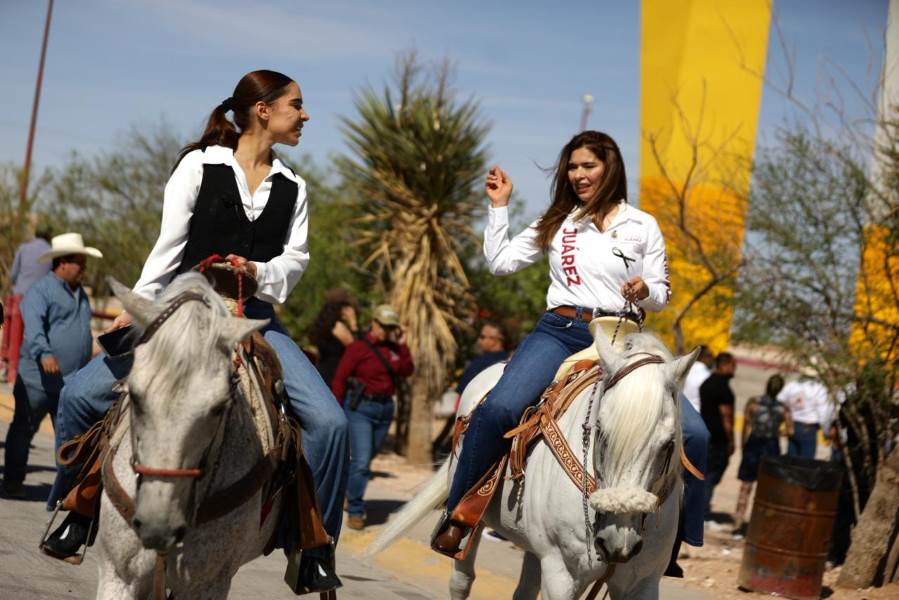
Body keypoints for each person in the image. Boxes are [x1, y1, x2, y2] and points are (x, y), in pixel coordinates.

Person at [42, 70, 348, 593]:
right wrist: (137, 306)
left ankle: (312, 543)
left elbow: (293, 264)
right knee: (78, 394)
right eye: (297, 105)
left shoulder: (294, 187)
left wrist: (258, 272)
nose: (306, 115)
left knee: (330, 423)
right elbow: (169, 244)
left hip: (251, 319)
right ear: (263, 110)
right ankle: (77, 508)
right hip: (178, 310)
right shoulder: (198, 166)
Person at [432, 130, 709, 555]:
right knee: (500, 408)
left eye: (588, 166)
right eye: (573, 167)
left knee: (695, 433)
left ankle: (675, 541)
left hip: (627, 340)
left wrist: (644, 289)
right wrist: (499, 207)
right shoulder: (558, 221)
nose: (579, 175)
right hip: (562, 332)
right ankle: (460, 516)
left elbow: (662, 293)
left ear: (609, 167)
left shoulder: (643, 225)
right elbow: (500, 262)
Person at [1, 233, 101, 500]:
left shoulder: (80, 295)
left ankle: (67, 490)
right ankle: (12, 481)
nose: (84, 268)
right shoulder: (41, 291)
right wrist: (44, 352)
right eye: (80, 263)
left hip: (69, 382)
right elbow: (32, 325)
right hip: (38, 380)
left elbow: (81, 329)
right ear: (63, 263)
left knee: (69, 437)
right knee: (24, 427)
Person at [331, 304, 413, 531]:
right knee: (362, 462)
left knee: (365, 458)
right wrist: (337, 411)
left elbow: (407, 370)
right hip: (361, 409)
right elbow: (340, 379)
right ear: (374, 323)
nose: (387, 331)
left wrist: (404, 345)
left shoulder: (395, 350)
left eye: (392, 327)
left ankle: (349, 492)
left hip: (385, 409)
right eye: (384, 326)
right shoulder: (359, 348)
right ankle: (356, 510)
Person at [732, 374, 793, 537]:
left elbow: (745, 425)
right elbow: (790, 430)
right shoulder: (782, 408)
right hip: (771, 446)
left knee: (745, 487)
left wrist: (744, 445)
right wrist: (777, 432)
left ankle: (738, 525)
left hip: (754, 444)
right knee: (767, 489)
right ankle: (760, 527)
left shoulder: (754, 403)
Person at [1, 223, 52, 383]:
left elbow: (14, 273)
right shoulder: (51, 253)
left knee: (15, 336)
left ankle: (11, 375)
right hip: (40, 299)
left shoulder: (24, 248)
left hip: (20, 296)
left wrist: (17, 287)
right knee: (35, 336)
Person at [699, 352, 737, 519]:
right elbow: (726, 417)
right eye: (732, 365)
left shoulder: (706, 383)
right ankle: (703, 513)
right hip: (718, 439)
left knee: (703, 474)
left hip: (704, 435)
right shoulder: (723, 388)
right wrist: (731, 440)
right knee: (712, 475)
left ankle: (699, 509)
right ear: (724, 365)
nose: (734, 369)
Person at [308, 294, 359, 388]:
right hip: (334, 375)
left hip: (324, 373)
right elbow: (356, 348)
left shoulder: (325, 327)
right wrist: (353, 324)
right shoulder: (337, 327)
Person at [778, 375, 829, 459]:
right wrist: (826, 432)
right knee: (805, 464)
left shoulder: (792, 385)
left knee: (791, 461)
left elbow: (780, 402)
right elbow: (823, 414)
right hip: (809, 429)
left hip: (793, 427)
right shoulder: (819, 389)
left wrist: (787, 422)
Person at [455, 321, 509, 395]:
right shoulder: (508, 360)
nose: (479, 340)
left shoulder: (482, 361)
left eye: (482, 337)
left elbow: (462, 389)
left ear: (494, 340)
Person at [682, 345, 713, 413]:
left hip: (681, 411)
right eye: (711, 355)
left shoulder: (684, 372)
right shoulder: (707, 376)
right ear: (704, 357)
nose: (712, 359)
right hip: (698, 414)